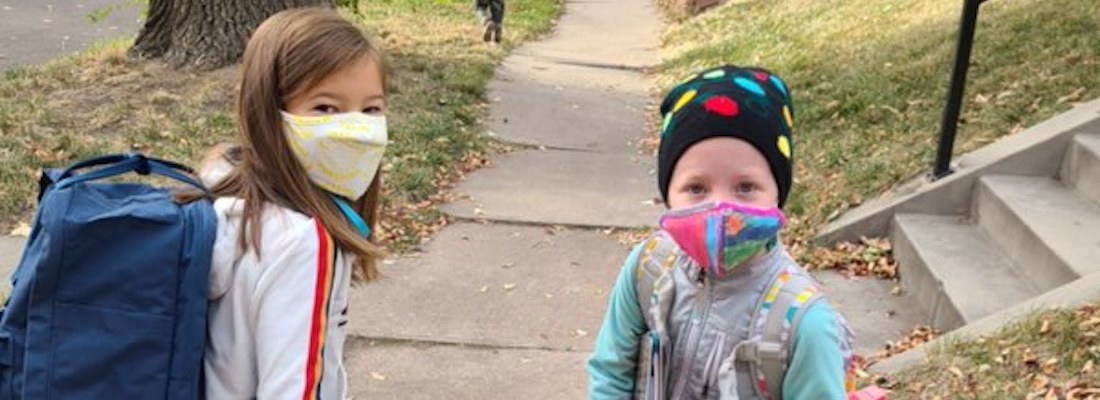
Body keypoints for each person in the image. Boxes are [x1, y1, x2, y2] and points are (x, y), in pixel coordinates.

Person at [587, 65, 855, 399]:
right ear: (668, 194)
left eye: (745, 187)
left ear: (778, 194)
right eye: (696, 188)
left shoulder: (803, 325)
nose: (721, 209)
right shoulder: (647, 270)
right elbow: (611, 373)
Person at [199, 8, 389, 398]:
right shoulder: (304, 241)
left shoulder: (217, 195)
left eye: (370, 109)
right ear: (268, 113)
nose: (354, 129)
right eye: (324, 108)